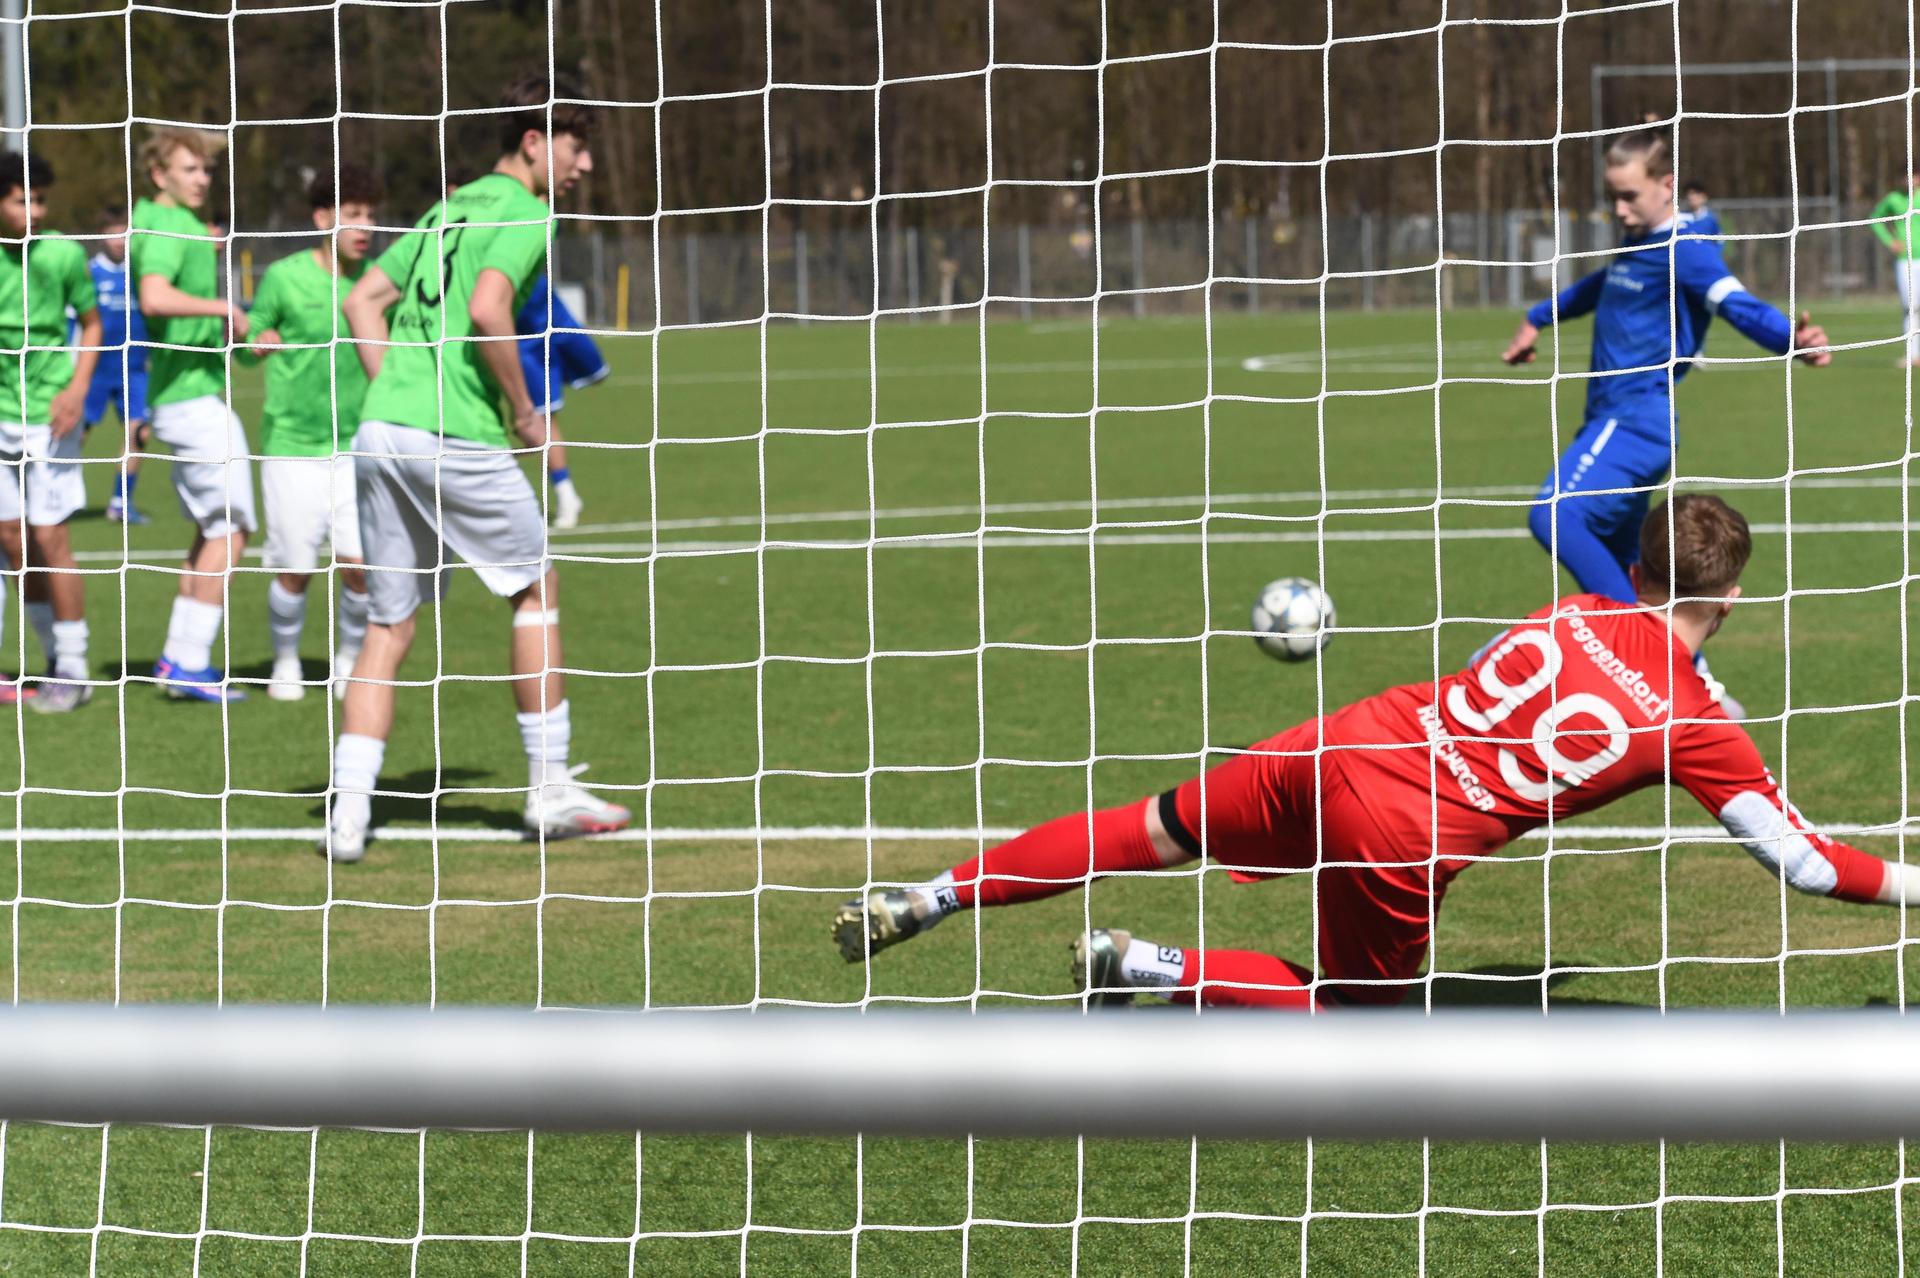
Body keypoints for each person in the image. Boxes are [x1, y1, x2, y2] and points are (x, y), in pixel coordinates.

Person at [836, 496, 1920, 1007]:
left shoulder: (1571, 611)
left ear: (1634, 568)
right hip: (1402, 831)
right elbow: (1806, 863)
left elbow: (1515, 666)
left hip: (1352, 737)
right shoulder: (1698, 724)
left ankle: (933, 893)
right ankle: (1151, 966)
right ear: (1732, 598)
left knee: (1151, 826)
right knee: (1356, 1019)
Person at [321, 73, 631, 862]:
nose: (585, 164)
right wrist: (525, 411)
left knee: (388, 625)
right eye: (576, 146)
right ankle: (550, 789)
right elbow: (490, 308)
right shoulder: (527, 212)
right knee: (535, 588)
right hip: (453, 433)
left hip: (381, 428)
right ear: (534, 141)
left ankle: (348, 816)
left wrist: (401, 388)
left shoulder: (445, 208)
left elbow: (361, 302)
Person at [1502, 129, 1828, 714]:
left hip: (1636, 421)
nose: (1619, 209)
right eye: (1613, 196)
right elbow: (1602, 285)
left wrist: (1791, 340)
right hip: (1615, 423)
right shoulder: (1639, 245)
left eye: (1629, 195)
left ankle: (1642, 654)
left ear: (1667, 186)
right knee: (1635, 569)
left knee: (1555, 514)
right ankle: (1704, 694)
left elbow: (1734, 303)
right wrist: (1538, 316)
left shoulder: (1687, 250)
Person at [243, 164, 382, 702]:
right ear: (323, 218)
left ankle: (348, 660)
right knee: (295, 569)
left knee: (360, 568)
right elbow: (249, 344)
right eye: (354, 214)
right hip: (292, 446)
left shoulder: (379, 282)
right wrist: (259, 341)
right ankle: (285, 661)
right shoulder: (284, 277)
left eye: (371, 215)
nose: (365, 226)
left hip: (358, 446)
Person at [130, 127, 256, 703]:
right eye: (189, 169)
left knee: (212, 529)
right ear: (160, 175)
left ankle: (176, 658)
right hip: (190, 401)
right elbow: (154, 296)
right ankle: (192, 663)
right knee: (232, 530)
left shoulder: (177, 223)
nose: (202, 179)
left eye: (206, 170)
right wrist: (223, 306)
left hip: (183, 394)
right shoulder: (166, 225)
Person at [0, 152, 102, 711]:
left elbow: (92, 323)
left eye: (40, 200)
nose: (36, 212)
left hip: (50, 414)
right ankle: (51, 660)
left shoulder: (62, 252)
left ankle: (76, 668)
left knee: (51, 536)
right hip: (1, 416)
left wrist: (77, 389)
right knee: (14, 539)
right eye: (23, 201)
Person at [517, 273, 606, 530]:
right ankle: (566, 494)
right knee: (541, 415)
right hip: (522, 337)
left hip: (550, 316)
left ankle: (566, 495)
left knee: (596, 374)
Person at [83, 204, 153, 525]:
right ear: (101, 236)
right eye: (113, 234)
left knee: (139, 433)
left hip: (134, 370)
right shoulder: (89, 273)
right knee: (73, 435)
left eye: (124, 233)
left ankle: (120, 502)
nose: (119, 240)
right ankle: (48, 497)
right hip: (94, 370)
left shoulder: (140, 274)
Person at [1871, 163, 1920, 367]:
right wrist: (1890, 241)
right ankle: (1913, 355)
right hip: (1905, 261)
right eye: (1906, 176)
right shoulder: (1893, 199)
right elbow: (1874, 219)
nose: (1909, 180)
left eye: (1913, 176)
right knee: (1910, 307)